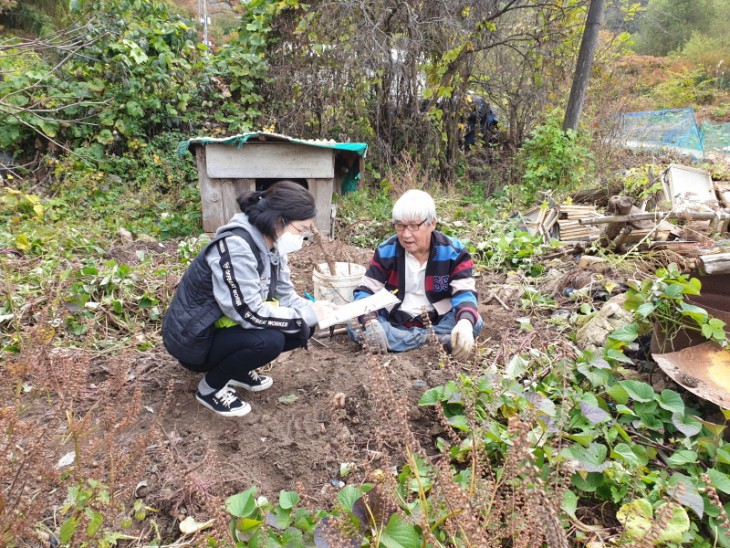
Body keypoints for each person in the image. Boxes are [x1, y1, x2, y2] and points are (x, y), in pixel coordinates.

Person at [162, 181, 335, 417]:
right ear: (278, 219)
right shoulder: (237, 246)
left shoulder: (273, 246)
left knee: (304, 326)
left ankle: (236, 371)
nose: (302, 237)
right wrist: (303, 316)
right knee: (269, 340)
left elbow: (285, 294)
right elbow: (247, 312)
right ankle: (210, 389)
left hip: (224, 329)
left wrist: (316, 309)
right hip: (195, 339)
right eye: (300, 229)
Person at [348, 189, 482, 359]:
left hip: (438, 321)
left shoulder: (454, 252)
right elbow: (366, 291)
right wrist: (370, 321)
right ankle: (436, 343)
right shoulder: (386, 251)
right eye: (400, 225)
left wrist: (464, 323)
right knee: (355, 324)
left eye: (413, 226)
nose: (405, 234)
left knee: (473, 321)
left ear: (432, 224)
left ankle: (405, 343)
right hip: (394, 321)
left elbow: (465, 293)